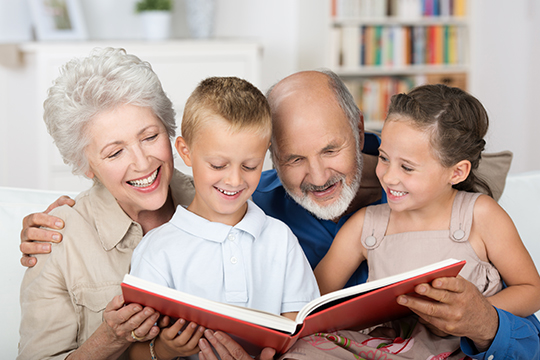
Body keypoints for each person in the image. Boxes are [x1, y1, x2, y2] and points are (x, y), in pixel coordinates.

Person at [19, 70, 540, 359]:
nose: (315, 175)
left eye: (332, 150)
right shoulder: (245, 197)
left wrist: (489, 322)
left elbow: (527, 318)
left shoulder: (439, 186)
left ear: (360, 132)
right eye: (292, 157)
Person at [16, 48, 276, 360]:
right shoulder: (57, 240)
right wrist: (109, 339)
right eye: (115, 153)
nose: (142, 163)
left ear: (170, 132)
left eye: (150, 137)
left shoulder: (225, 195)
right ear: (87, 166)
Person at [291, 84, 540, 359]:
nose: (388, 177)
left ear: (457, 172)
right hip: (389, 349)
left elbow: (531, 290)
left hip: (457, 348)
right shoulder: (367, 225)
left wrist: (473, 313)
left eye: (407, 167)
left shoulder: (480, 215)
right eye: (384, 158)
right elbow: (312, 299)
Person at [127, 76, 319, 359]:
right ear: (185, 152)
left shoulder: (280, 239)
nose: (234, 179)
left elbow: (303, 332)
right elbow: (135, 353)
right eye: (218, 165)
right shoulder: (157, 250)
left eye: (250, 166)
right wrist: (167, 349)